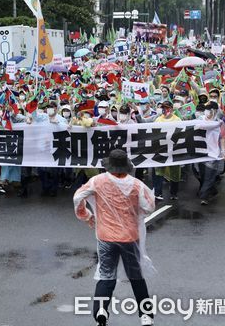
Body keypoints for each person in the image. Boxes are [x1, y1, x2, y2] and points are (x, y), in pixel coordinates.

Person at [73, 149, 156, 326]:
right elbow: (149, 206)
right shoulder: (136, 185)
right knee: (136, 277)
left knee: (106, 275)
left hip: (106, 237)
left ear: (109, 166)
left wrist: (86, 215)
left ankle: (101, 312)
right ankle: (146, 316)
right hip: (130, 237)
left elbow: (78, 196)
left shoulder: (97, 181)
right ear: (126, 166)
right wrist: (136, 212)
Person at [152, 101, 181, 200]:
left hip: (174, 150)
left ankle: (174, 193)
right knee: (159, 172)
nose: (165, 110)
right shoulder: (158, 120)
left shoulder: (178, 120)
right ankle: (158, 192)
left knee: (175, 173)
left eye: (167, 108)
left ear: (172, 109)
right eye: (163, 108)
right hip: (161, 150)